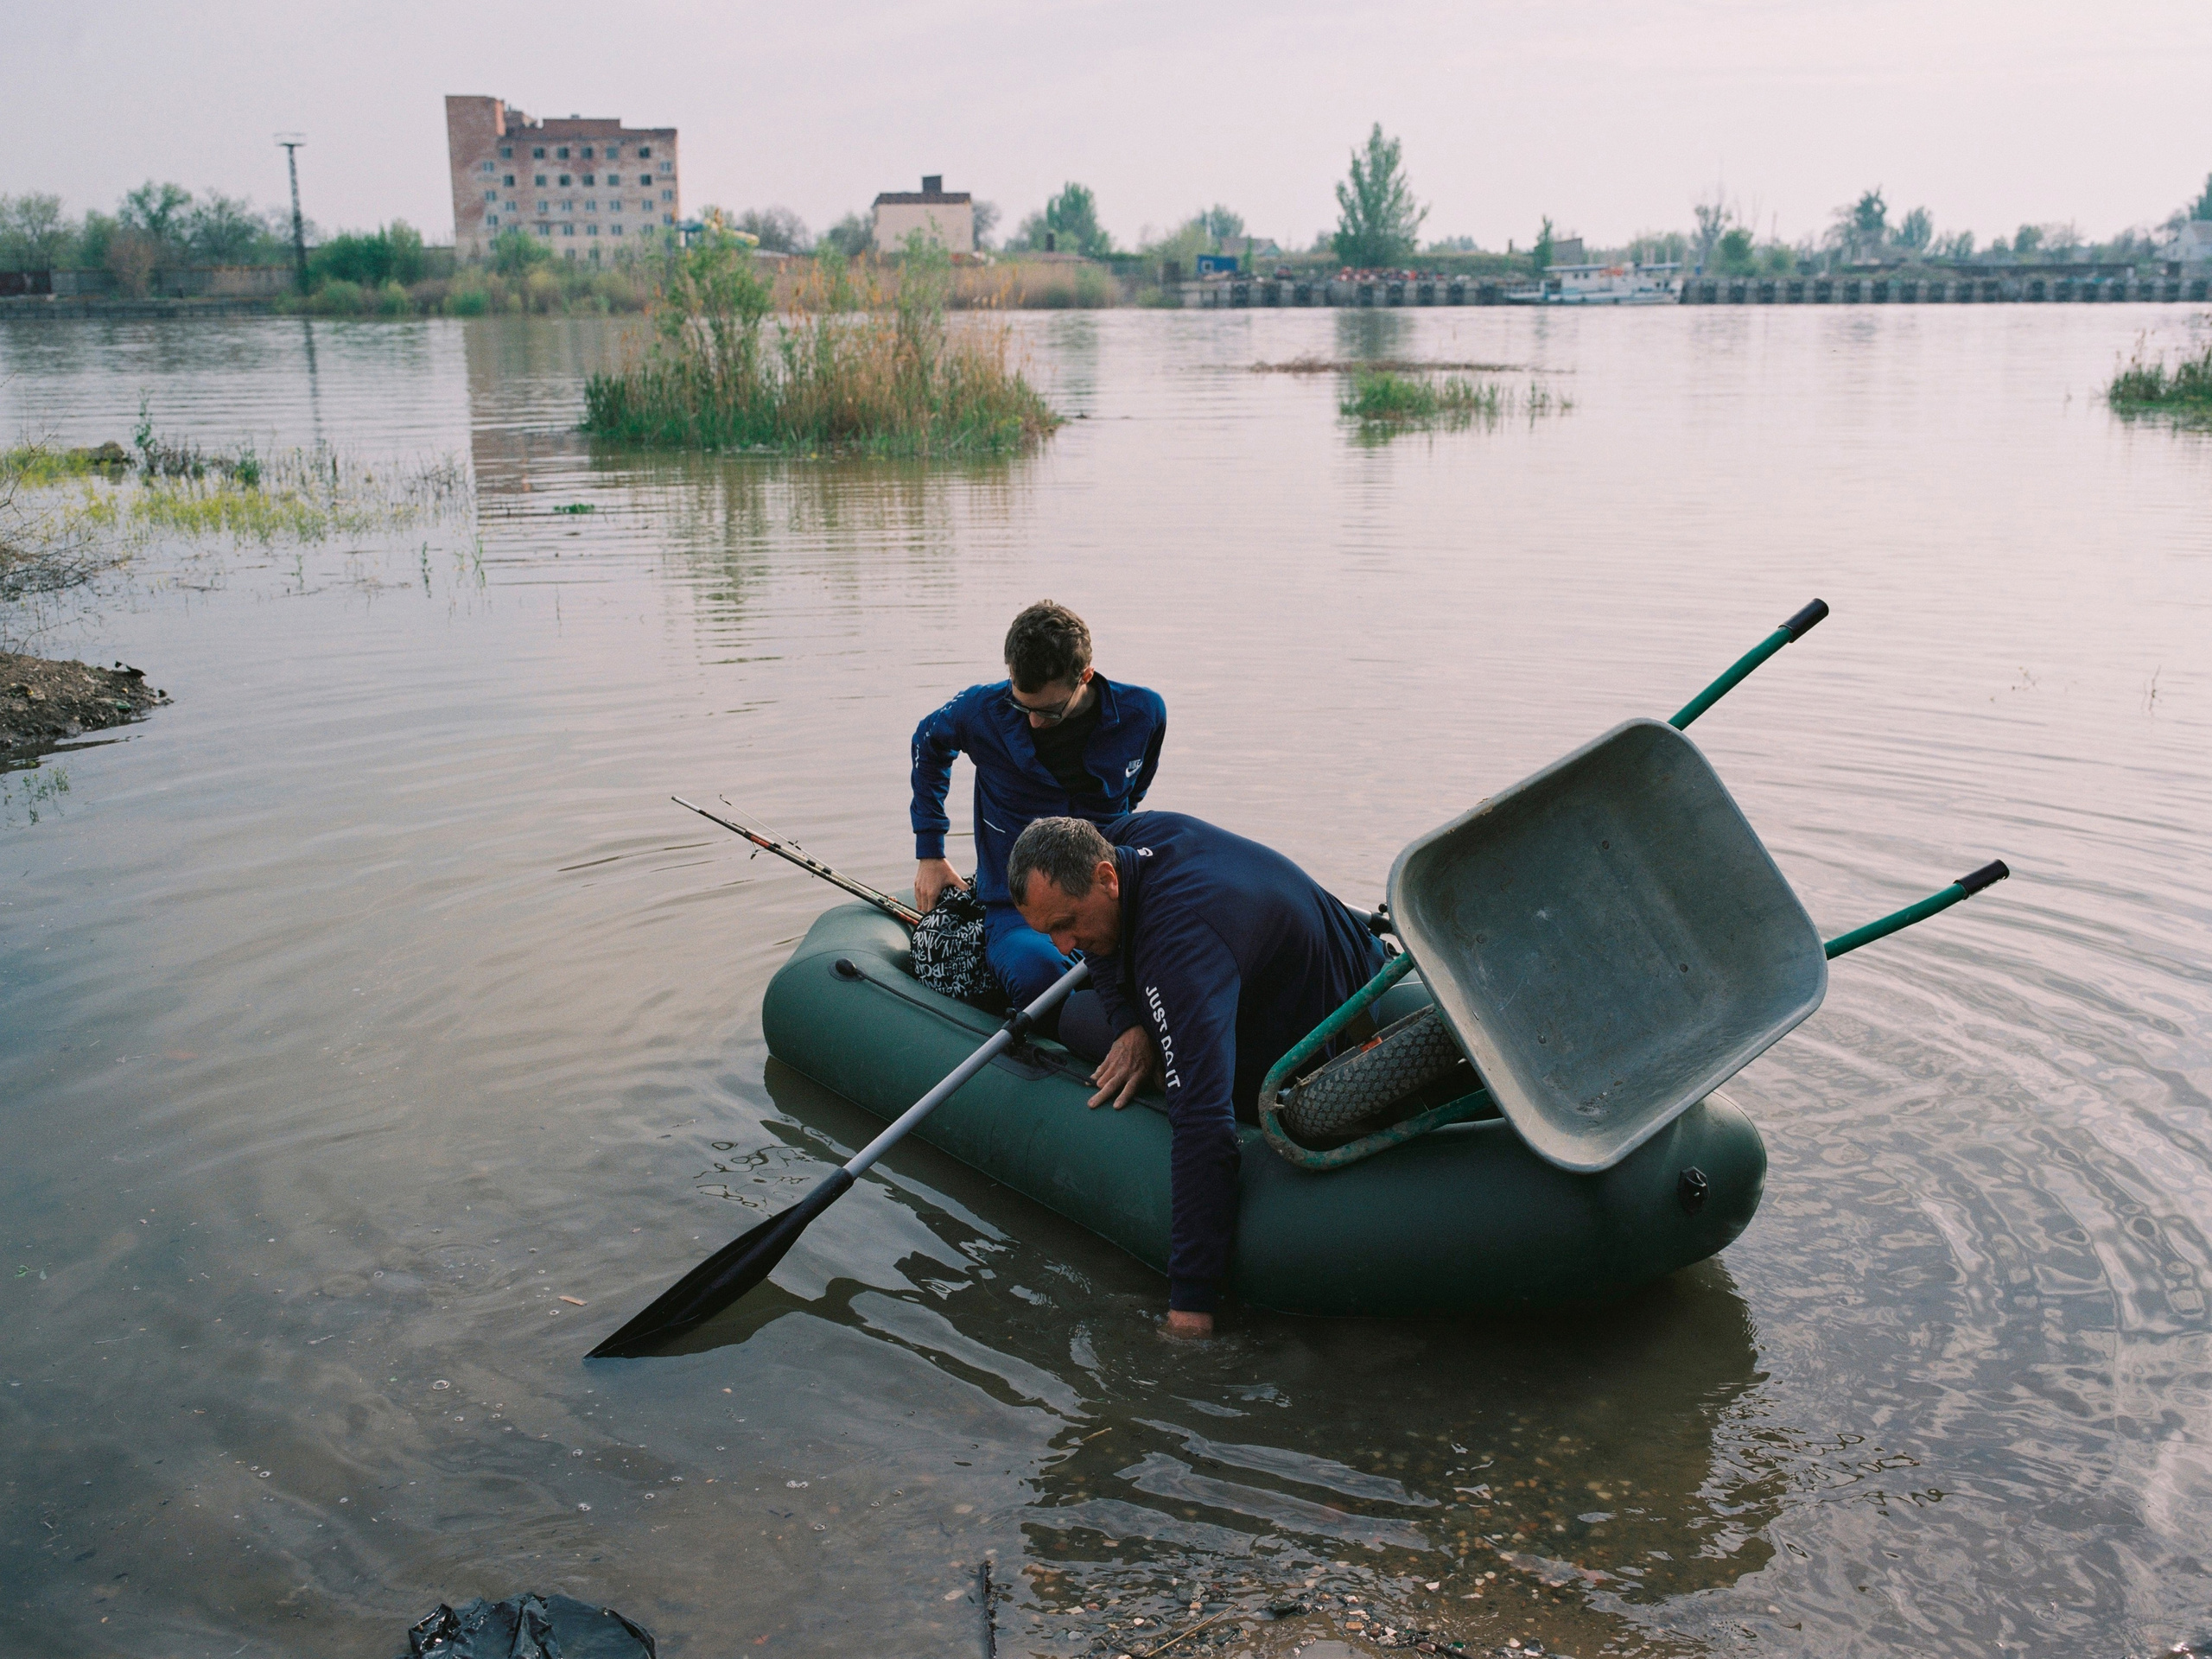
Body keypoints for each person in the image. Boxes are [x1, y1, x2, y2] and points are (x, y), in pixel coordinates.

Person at [1007, 813, 1385, 1335]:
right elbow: (1101, 954)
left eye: (1066, 924)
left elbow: (1205, 1125)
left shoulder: (1181, 949)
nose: (1064, 947)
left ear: (1106, 878)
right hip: (1347, 961)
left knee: (1065, 1015)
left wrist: (1191, 1306)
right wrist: (1128, 1023)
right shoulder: (1126, 837)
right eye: (1049, 930)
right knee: (1108, 994)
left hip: (1324, 1032)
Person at [911, 602, 1167, 1007]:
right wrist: (930, 851)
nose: (1033, 722)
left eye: (1048, 711)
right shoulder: (979, 711)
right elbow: (927, 744)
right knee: (1039, 977)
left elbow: (1136, 788)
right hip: (1020, 911)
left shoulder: (1144, 712)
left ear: (1084, 676)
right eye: (1021, 706)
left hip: (1110, 896)